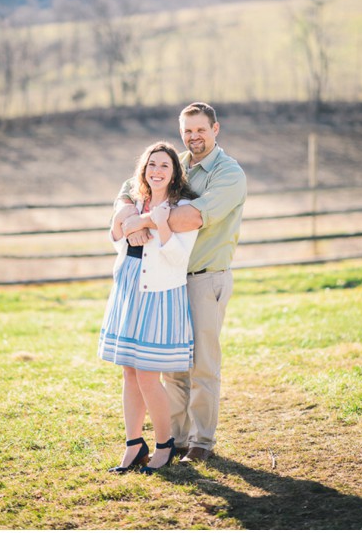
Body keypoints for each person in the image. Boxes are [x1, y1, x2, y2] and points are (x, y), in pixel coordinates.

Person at [117, 102, 247, 463]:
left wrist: (144, 222)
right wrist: (126, 209)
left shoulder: (228, 173)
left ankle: (202, 441)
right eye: (188, 131)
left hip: (206, 279)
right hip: (169, 282)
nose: (194, 137)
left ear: (215, 129)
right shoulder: (177, 163)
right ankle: (176, 437)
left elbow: (191, 217)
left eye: (201, 130)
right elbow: (132, 186)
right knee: (173, 365)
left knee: (203, 364)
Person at [99, 141, 199, 474]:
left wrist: (160, 224)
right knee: (128, 371)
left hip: (160, 295)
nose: (156, 171)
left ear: (174, 174)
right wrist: (130, 221)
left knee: (147, 376)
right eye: (151, 165)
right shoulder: (134, 202)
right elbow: (116, 238)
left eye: (164, 166)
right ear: (143, 169)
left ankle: (164, 444)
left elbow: (178, 259)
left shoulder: (182, 207)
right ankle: (133, 444)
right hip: (128, 289)